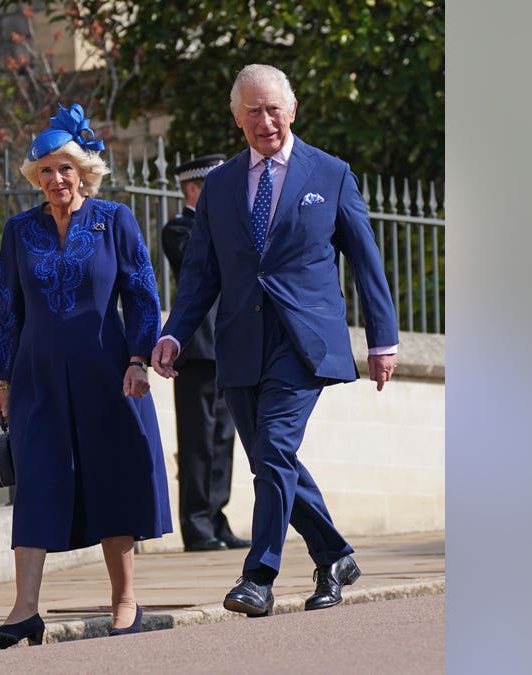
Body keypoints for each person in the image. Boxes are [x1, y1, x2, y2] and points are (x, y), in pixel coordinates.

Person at [150, 64, 400, 617]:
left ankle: (259, 576)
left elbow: (366, 259)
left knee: (276, 449)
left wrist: (383, 339)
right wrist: (174, 333)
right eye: (253, 111)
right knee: (269, 458)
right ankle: (333, 555)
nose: (265, 120)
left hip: (305, 340)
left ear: (292, 110)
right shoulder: (218, 186)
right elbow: (200, 274)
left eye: (273, 108)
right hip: (240, 342)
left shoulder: (331, 173)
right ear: (238, 119)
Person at [0, 103, 172, 648]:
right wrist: (3, 383)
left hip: (106, 371)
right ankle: (24, 611)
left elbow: (142, 295)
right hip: (36, 375)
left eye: (65, 167)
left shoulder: (115, 220)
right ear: (35, 178)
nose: (56, 178)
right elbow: (7, 309)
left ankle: (125, 601)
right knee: (38, 481)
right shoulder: (19, 231)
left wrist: (138, 360)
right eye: (45, 170)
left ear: (83, 170)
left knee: (111, 478)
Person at [161, 154, 252, 553]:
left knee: (224, 437)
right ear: (195, 189)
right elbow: (207, 262)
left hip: (229, 344)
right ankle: (196, 524)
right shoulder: (179, 228)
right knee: (197, 439)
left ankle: (217, 517)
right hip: (197, 347)